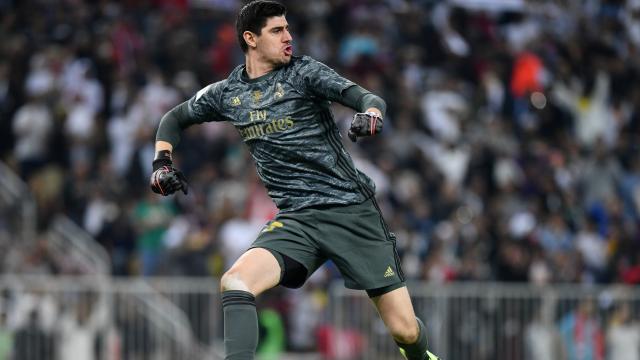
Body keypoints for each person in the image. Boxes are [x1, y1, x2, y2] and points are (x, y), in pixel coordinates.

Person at [149, 1, 439, 359]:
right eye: (277, 31)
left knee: (404, 330)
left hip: (349, 211)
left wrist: (371, 113)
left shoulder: (304, 74)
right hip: (297, 220)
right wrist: (161, 163)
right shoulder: (228, 94)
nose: (289, 37)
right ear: (250, 38)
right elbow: (173, 119)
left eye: (288, 29)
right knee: (235, 281)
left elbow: (365, 96)